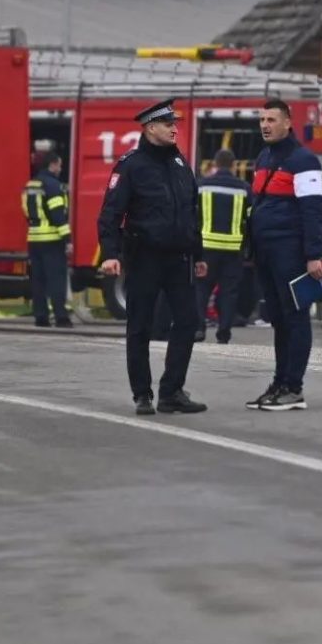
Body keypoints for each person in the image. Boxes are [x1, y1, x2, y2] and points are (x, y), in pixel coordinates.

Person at [97, 98, 208, 416]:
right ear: (150, 128)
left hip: (179, 259)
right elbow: (110, 213)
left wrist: (197, 253)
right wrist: (110, 253)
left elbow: (191, 210)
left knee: (188, 322)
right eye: (168, 124)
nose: (175, 128)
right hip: (144, 257)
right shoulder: (131, 165)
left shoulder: (179, 163)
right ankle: (142, 394)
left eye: (175, 123)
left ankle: (172, 391)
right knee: (140, 327)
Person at [245, 97, 322, 411]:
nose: (265, 125)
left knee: (295, 318)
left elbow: (312, 210)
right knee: (278, 319)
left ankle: (294, 388)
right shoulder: (264, 157)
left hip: (291, 252)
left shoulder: (304, 160)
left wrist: (313, 254)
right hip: (266, 253)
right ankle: (279, 383)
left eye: (272, 120)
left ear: (288, 123)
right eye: (262, 120)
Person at [195, 149, 252, 344]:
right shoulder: (244, 188)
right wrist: (248, 247)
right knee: (229, 292)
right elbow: (251, 219)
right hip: (233, 250)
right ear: (234, 166)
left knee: (201, 289)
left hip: (206, 249)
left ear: (215, 165)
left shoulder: (202, 186)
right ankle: (224, 333)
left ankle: (198, 329)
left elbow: (193, 217)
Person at [21, 152, 73, 328]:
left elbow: (26, 211)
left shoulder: (30, 185)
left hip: (34, 239)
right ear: (52, 164)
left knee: (38, 280)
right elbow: (58, 215)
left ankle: (41, 317)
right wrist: (67, 239)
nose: (60, 168)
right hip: (52, 239)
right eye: (59, 165)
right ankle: (61, 317)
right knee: (56, 280)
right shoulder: (53, 185)